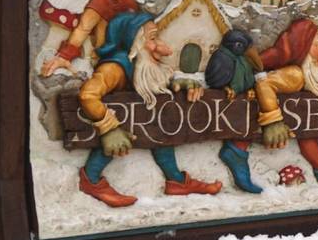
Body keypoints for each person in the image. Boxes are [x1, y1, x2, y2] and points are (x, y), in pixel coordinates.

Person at [78, 11, 223, 207]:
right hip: (120, 125)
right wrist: (109, 127)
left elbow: (152, 84)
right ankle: (91, 179)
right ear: (135, 44)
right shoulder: (115, 68)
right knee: (127, 130)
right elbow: (88, 95)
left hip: (145, 121)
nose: (163, 47)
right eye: (153, 38)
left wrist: (181, 83)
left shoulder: (142, 66)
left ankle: (176, 182)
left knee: (160, 126)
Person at [218, 19, 318, 191]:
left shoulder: (306, 75)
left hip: (287, 113)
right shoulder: (296, 74)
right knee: (297, 117)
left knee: (304, 118)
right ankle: (236, 152)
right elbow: (263, 82)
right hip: (256, 115)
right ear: (304, 48)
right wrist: (273, 122)